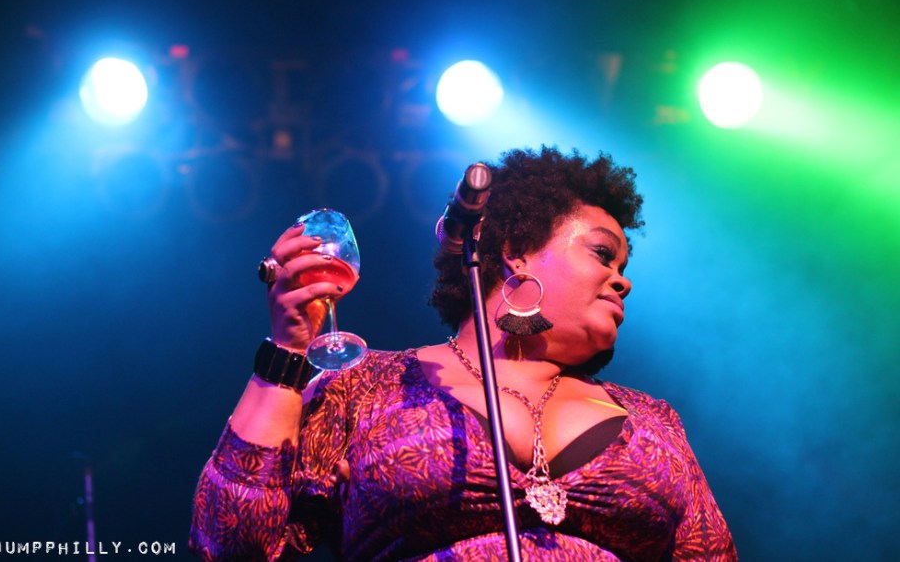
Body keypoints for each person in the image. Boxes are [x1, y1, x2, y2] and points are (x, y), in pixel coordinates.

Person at [189, 146, 737, 561]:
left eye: (624, 268)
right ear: (517, 252)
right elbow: (230, 543)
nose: (623, 282)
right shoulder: (365, 387)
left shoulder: (654, 423)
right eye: (603, 254)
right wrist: (288, 351)